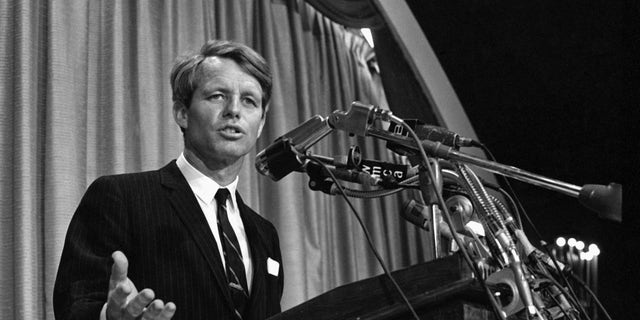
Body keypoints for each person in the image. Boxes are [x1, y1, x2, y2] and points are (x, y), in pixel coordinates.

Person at [53, 40, 284, 320]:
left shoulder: (265, 234)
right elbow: (75, 303)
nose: (234, 110)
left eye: (249, 101)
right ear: (182, 113)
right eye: (218, 96)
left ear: (260, 123)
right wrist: (107, 316)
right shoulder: (120, 197)